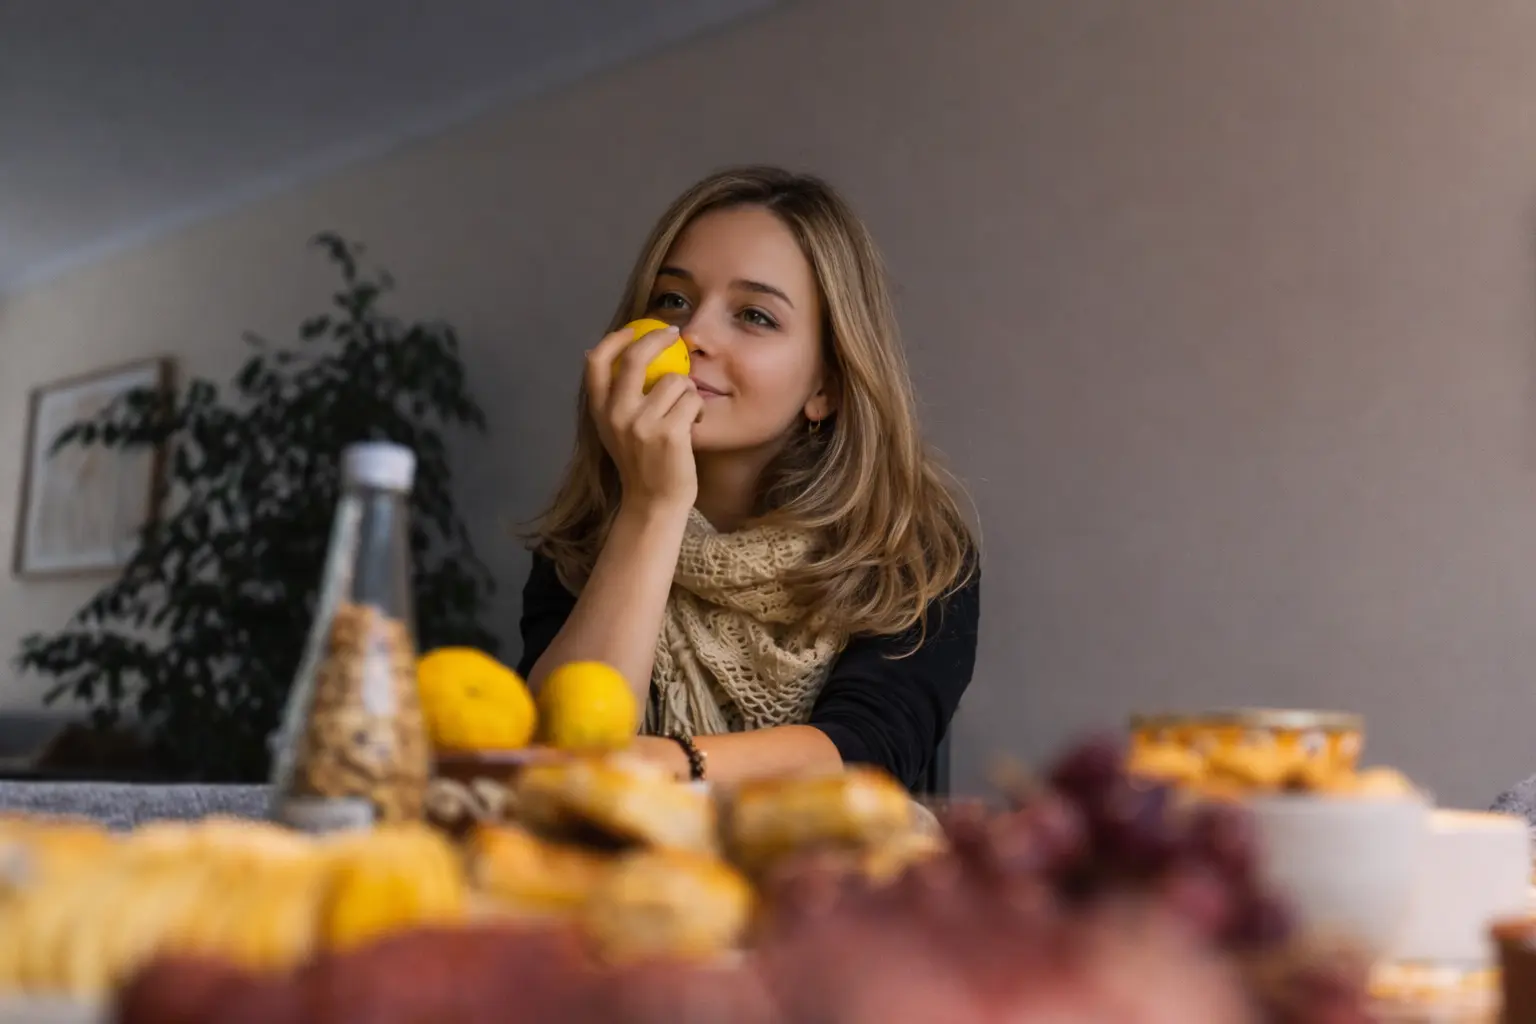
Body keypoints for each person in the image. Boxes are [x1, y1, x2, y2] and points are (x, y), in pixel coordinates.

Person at [516, 165, 980, 791]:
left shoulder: (913, 554)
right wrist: (651, 510)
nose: (693, 333)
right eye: (673, 300)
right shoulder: (582, 543)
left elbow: (869, 751)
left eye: (755, 315)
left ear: (827, 386)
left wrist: (667, 765)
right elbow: (554, 758)